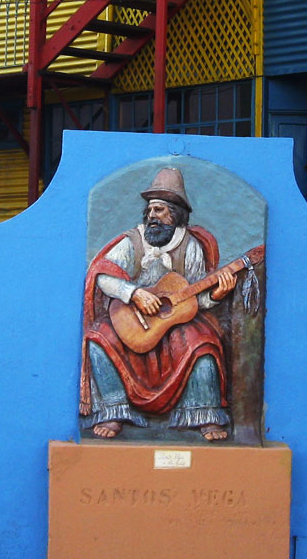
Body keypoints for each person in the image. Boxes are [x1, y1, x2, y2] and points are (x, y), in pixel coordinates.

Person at [81, 167, 236, 441]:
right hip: (131, 317)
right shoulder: (133, 241)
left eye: (160, 210)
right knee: (98, 337)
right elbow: (103, 275)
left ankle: (203, 415)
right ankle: (114, 411)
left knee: (203, 345)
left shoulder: (190, 246)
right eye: (151, 210)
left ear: (175, 214)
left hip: (174, 321)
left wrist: (215, 295)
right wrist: (134, 294)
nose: (153, 216)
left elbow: (195, 297)